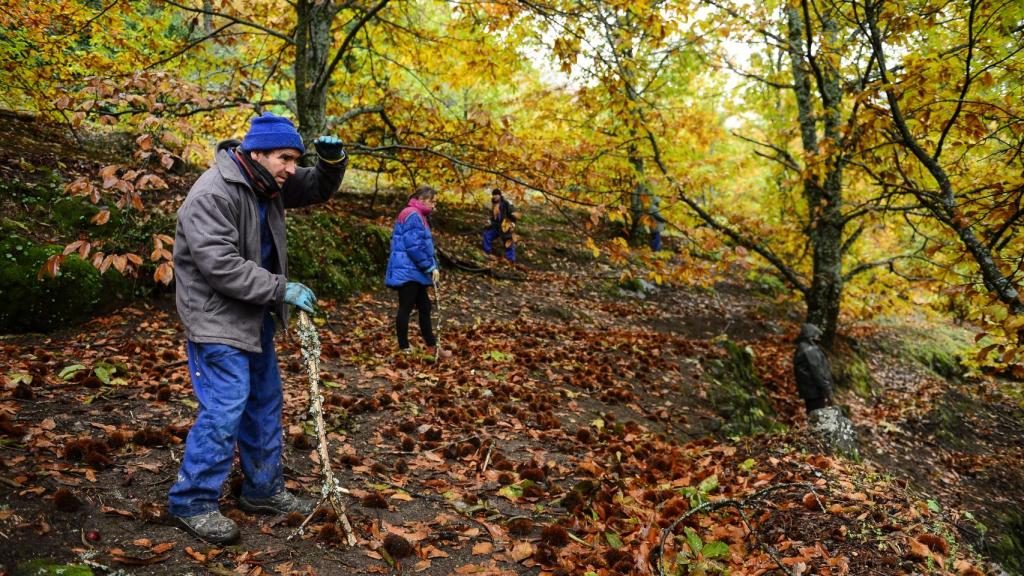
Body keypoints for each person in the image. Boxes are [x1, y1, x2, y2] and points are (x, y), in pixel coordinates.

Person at [169, 112, 348, 544]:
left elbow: (318, 185)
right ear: (257, 152)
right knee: (226, 405)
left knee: (265, 401)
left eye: (296, 159)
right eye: (286, 158)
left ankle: (263, 491)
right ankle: (191, 501)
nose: (292, 168)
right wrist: (281, 288)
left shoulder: (270, 183)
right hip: (215, 317)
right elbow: (220, 265)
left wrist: (331, 163)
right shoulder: (212, 193)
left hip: (254, 314)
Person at [385, 186, 440, 355]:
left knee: (425, 305)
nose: (434, 206)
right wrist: (429, 267)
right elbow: (414, 246)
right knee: (406, 307)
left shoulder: (417, 215)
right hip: (408, 270)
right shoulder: (413, 215)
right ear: (423, 200)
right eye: (433, 202)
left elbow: (421, 244)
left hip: (413, 270)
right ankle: (404, 347)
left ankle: (432, 346)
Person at [793, 323, 836, 413]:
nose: (818, 338)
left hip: (811, 391)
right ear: (810, 335)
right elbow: (817, 371)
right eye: (816, 335)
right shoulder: (809, 350)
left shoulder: (804, 347)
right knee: (817, 416)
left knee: (814, 415)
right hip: (815, 391)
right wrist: (827, 390)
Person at [482, 187, 516, 262]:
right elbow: (493, 217)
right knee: (487, 235)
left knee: (508, 242)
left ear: (500, 195)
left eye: (496, 195)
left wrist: (513, 223)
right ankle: (487, 252)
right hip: (496, 227)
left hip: (505, 226)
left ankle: (511, 260)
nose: (495, 196)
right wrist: (490, 222)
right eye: (494, 195)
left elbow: (512, 212)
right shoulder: (493, 204)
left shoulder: (505, 203)